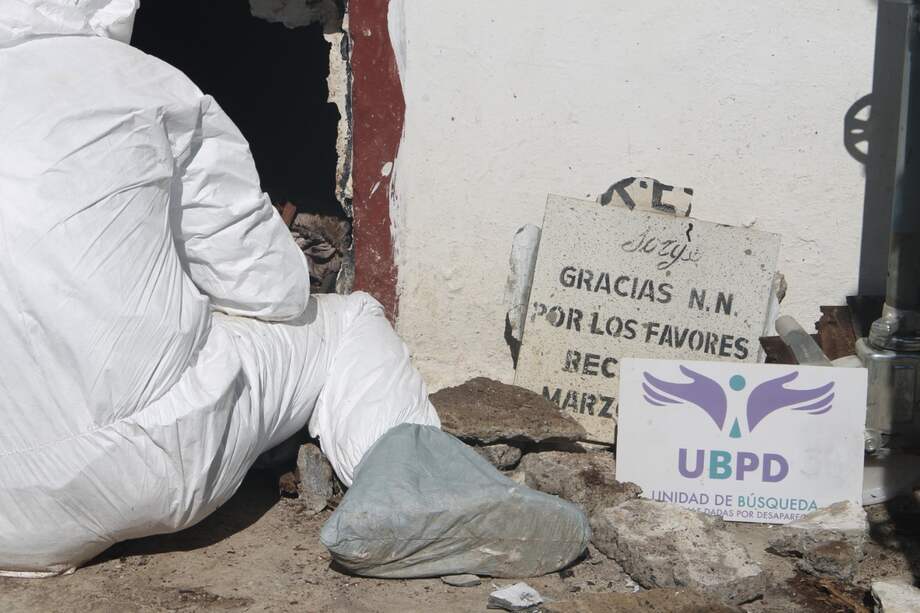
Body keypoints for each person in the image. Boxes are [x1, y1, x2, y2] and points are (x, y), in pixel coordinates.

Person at [0, 0, 588, 578]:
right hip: (143, 469)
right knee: (350, 322)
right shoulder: (146, 85)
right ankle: (426, 495)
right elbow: (272, 290)